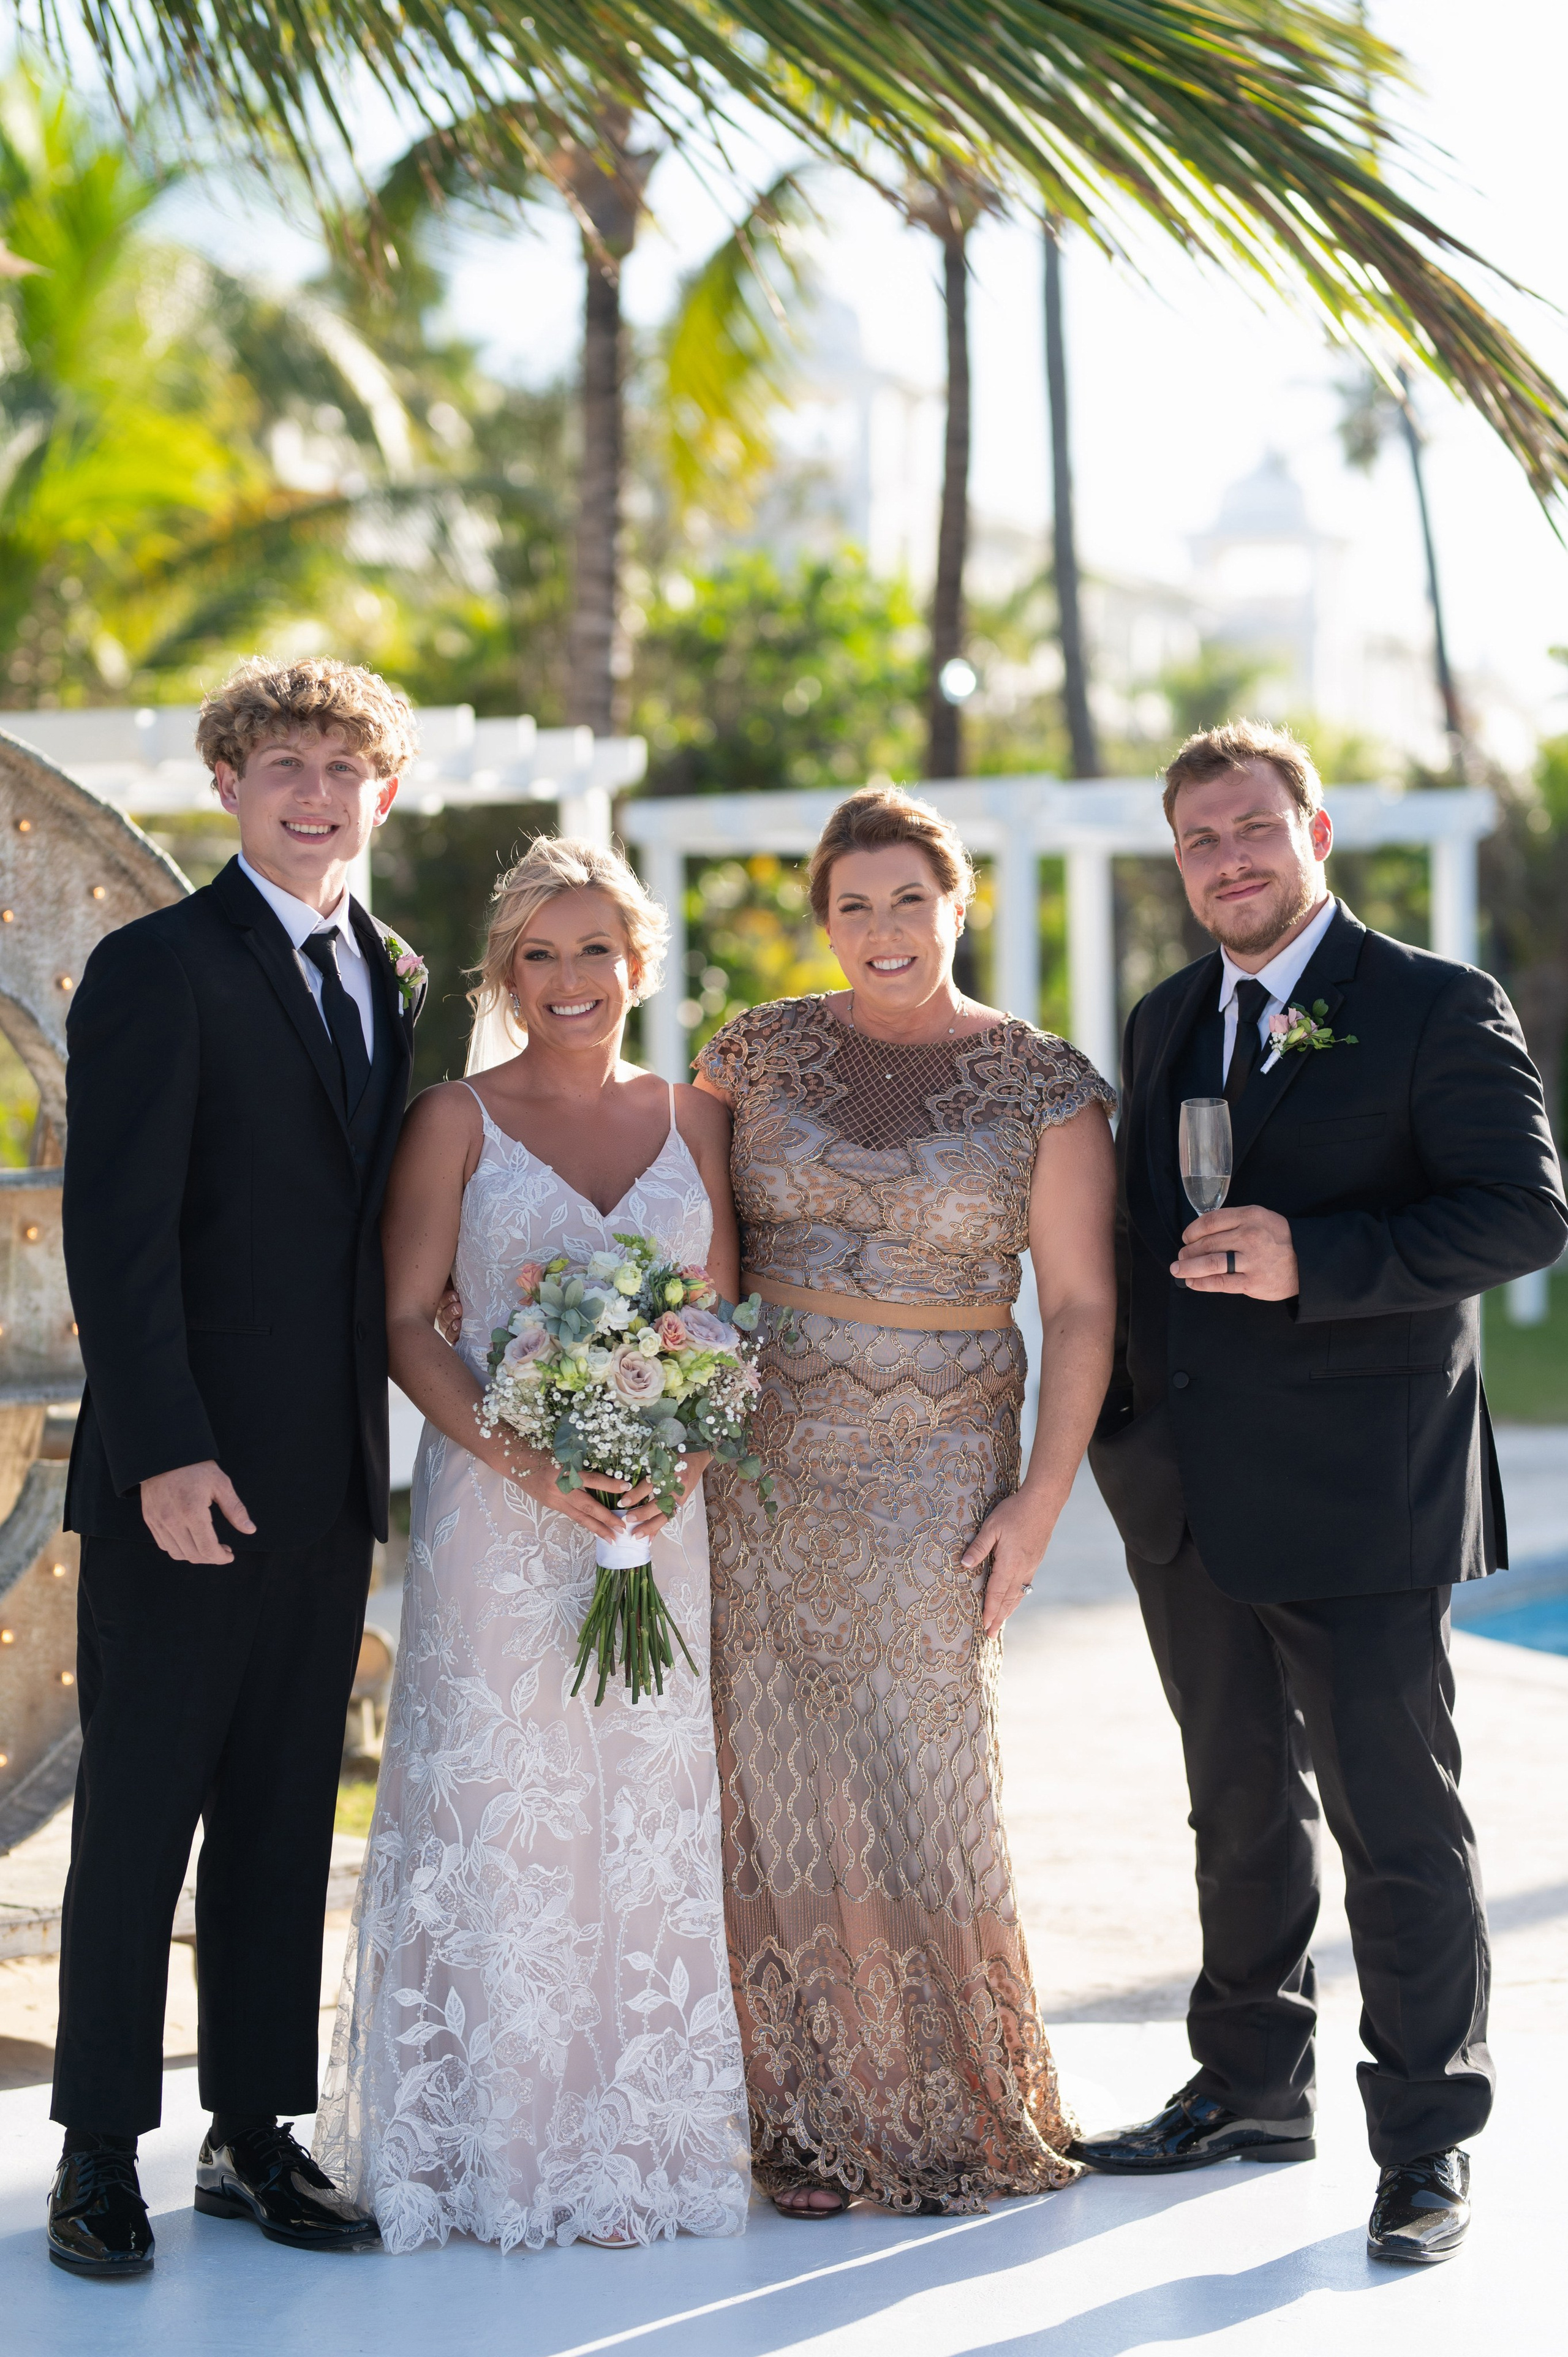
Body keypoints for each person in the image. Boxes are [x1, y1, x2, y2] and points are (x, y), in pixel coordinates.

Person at [1078, 719, 1567, 2263]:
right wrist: (1120, 1432)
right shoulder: (1163, 1019)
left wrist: (1319, 1258)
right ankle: (1246, 2087)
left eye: (1249, 829)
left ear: (1314, 830)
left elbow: (1521, 1212)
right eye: (1198, 841)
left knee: (1396, 1821)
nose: (1227, 860)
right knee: (1233, 1805)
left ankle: (1424, 2142)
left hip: (1364, 1490)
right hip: (1189, 1494)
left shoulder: (1431, 1004)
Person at [314, 837, 752, 2253]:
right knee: (505, 1808)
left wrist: (673, 1457)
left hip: (656, 1523)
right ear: (506, 973)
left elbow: (718, 1329)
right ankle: (483, 2146)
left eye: (595, 952)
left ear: (639, 963)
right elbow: (400, 1324)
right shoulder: (455, 1118)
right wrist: (538, 1467)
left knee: (640, 1800)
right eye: (539, 956)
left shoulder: (696, 1118)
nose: (570, 980)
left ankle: (639, 2138)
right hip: (496, 1518)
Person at [693, 785, 1117, 2218]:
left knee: (917, 1765)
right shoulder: (750, 1051)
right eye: (853, 904)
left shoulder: (1042, 1081)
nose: (884, 930)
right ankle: (793, 2118)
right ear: (825, 918)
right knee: (766, 1771)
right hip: (762, 1453)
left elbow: (1078, 1300)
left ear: (958, 902)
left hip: (939, 1461)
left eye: (909, 900)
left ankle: (943, 2099)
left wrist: (1040, 1498)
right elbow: (684, 1244)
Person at [50, 658, 424, 2276]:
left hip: (332, 1480)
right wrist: (167, 1455)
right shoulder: (156, 968)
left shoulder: (393, 975)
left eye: (344, 770)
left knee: (284, 1814)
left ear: (382, 796)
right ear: (227, 784)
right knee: (141, 1820)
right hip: (180, 1483)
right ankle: (93, 2159)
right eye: (283, 765)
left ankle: (254, 2137)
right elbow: (113, 1239)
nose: (314, 795)